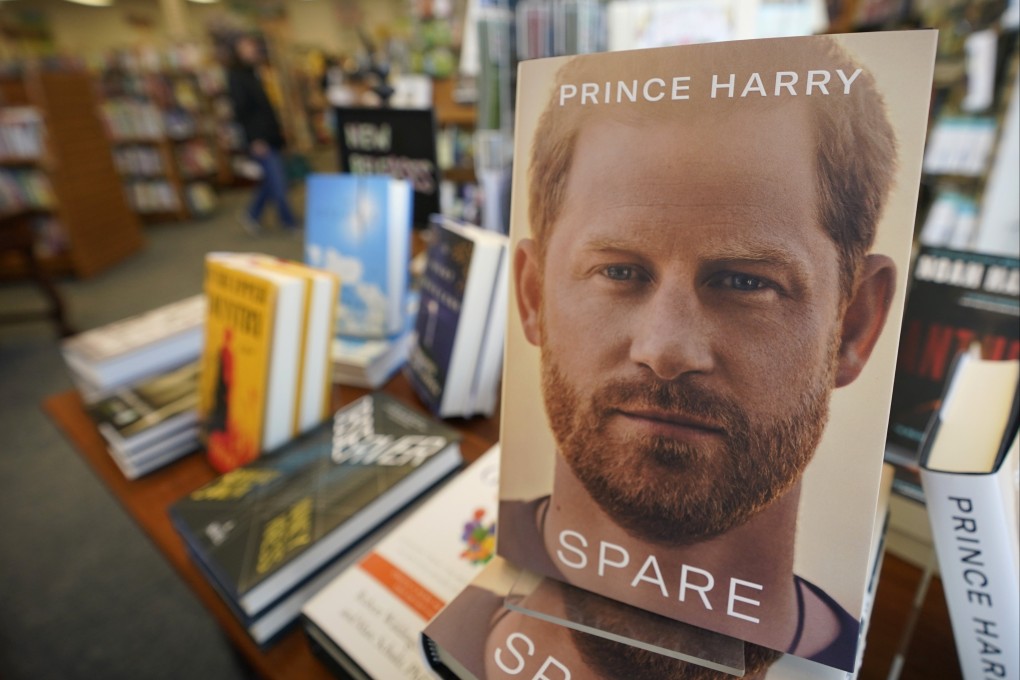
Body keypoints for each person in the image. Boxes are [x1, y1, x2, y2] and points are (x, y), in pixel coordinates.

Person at [500, 35, 902, 671]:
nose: (665, 350)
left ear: (854, 325)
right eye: (618, 271)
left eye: (745, 281)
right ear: (532, 296)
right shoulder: (468, 555)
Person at [227, 35, 299, 234]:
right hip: (260, 138)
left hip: (271, 135)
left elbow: (265, 108)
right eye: (247, 47)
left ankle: (252, 214)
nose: (252, 51)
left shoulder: (255, 72)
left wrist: (279, 131)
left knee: (271, 180)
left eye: (254, 47)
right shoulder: (237, 76)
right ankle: (288, 221)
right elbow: (242, 112)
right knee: (278, 181)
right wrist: (255, 139)